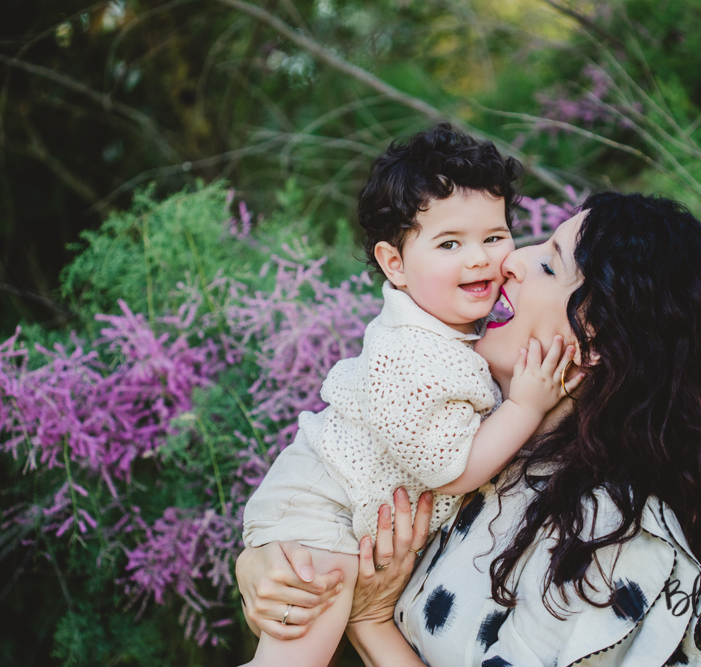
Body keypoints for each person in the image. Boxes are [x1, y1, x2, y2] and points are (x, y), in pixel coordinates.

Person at [236, 192, 701, 666]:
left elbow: (380, 604)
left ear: (594, 339)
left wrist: (371, 623)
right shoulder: (488, 440)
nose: (509, 259)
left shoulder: (616, 542)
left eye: (548, 263)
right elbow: (333, 502)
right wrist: (267, 570)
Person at [239, 124, 578, 666]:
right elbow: (451, 470)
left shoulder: (451, 330)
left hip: (339, 502)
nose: (482, 260)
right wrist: (524, 407)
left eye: (494, 237)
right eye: (449, 244)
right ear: (394, 263)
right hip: (322, 503)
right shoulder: (411, 352)